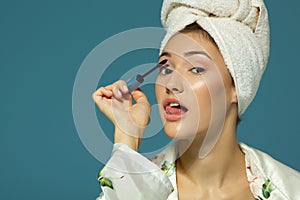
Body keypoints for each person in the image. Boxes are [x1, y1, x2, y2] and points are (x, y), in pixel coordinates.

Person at [92, 0, 300, 199]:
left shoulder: (290, 190)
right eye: (165, 67)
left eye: (196, 69)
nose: (171, 83)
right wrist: (127, 140)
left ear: (237, 86)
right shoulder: (134, 186)